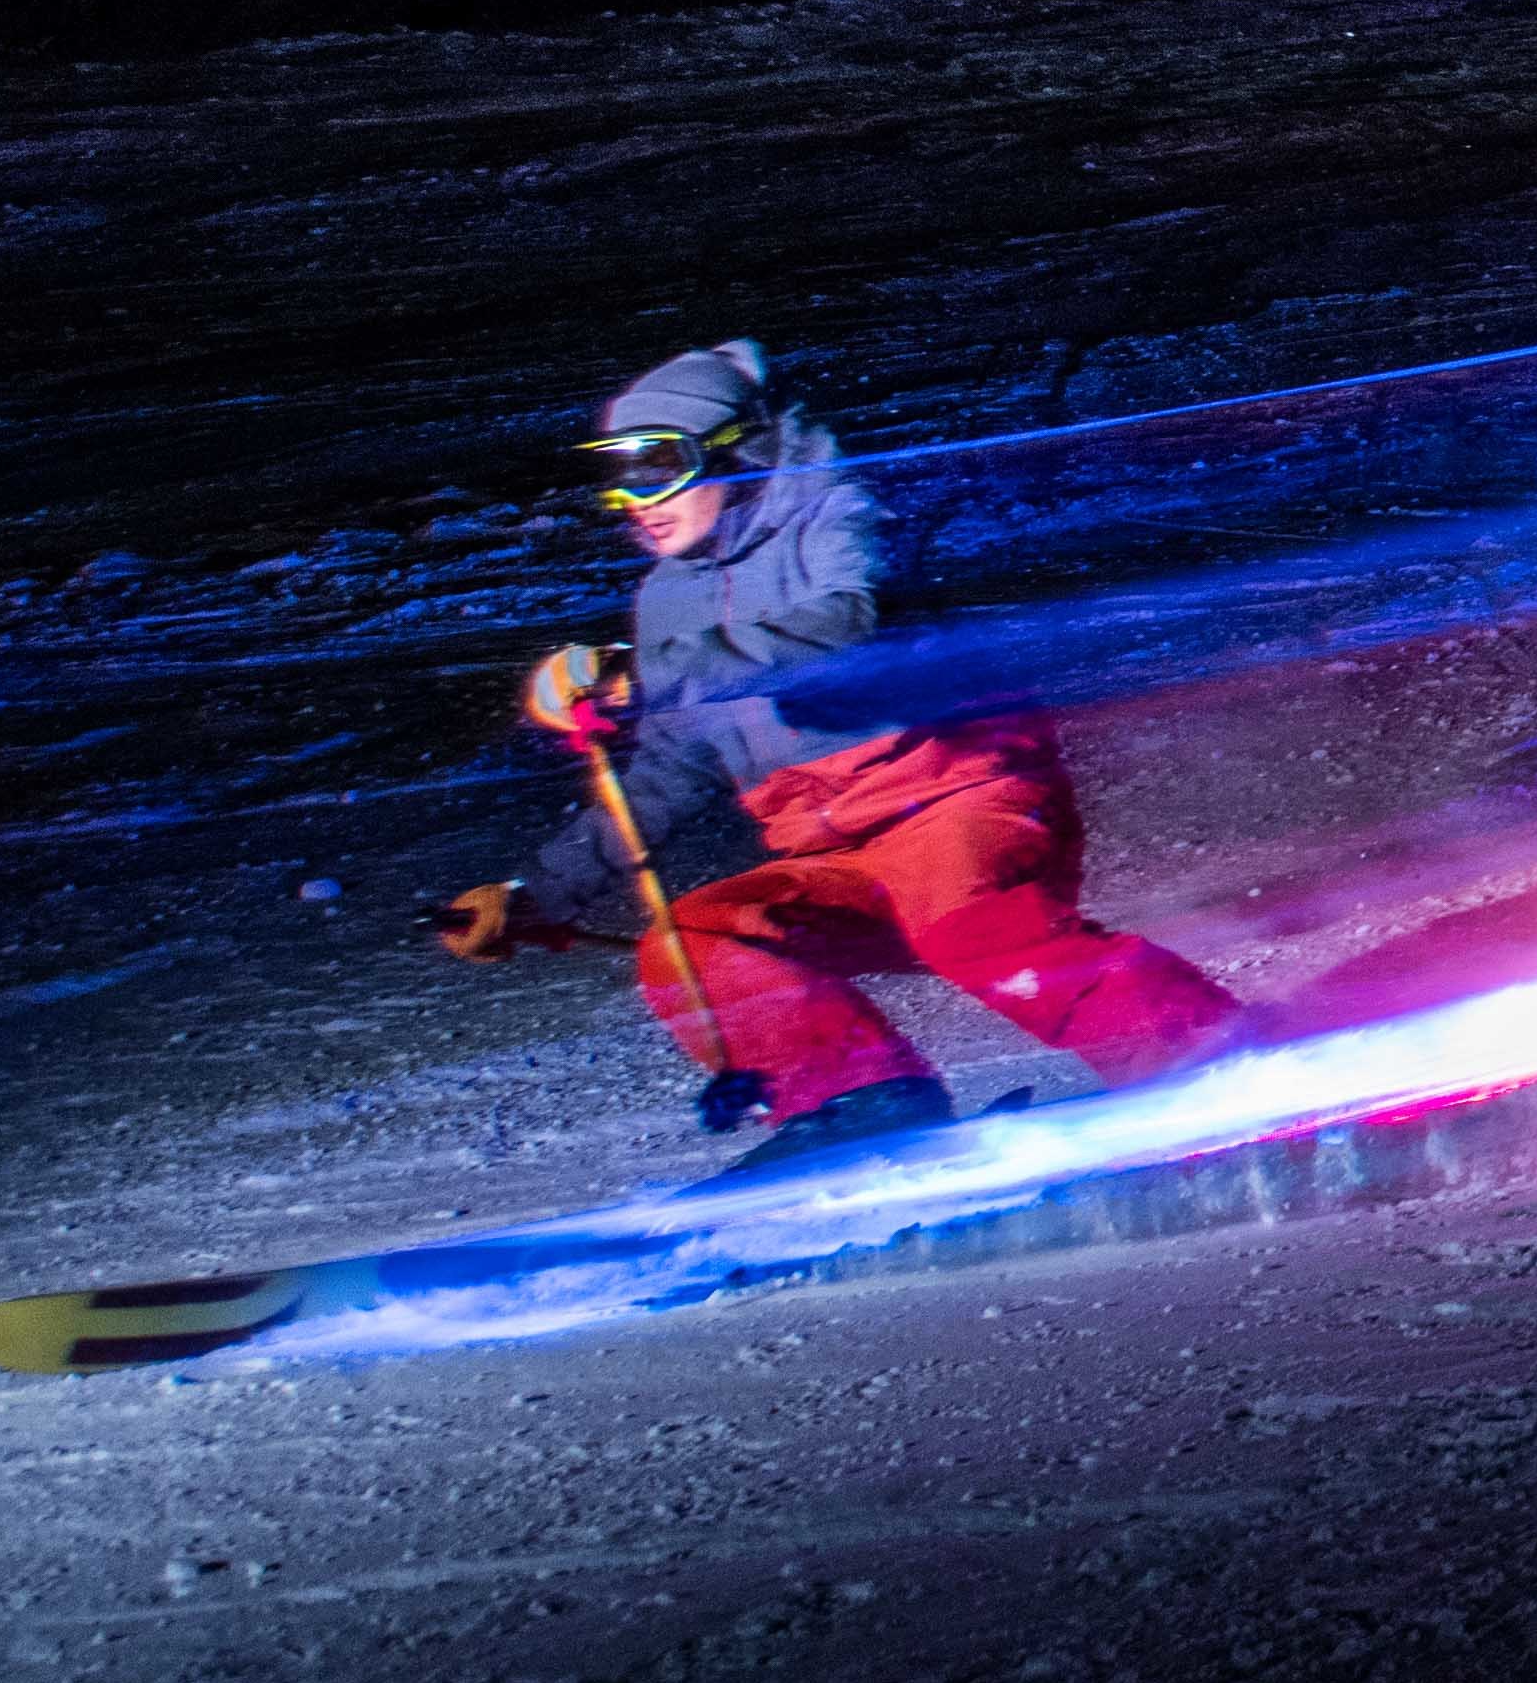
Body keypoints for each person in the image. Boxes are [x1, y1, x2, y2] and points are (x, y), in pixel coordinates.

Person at [429, 340, 1243, 1178]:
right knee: (694, 938)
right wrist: (541, 892)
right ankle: (862, 1103)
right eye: (617, 471)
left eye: (658, 464)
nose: (635, 498)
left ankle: (1205, 1054)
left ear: (737, 449)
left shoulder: (836, 512)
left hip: (954, 794)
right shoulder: (667, 595)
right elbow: (675, 761)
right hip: (831, 850)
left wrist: (652, 671)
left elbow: (845, 623)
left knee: (971, 926)